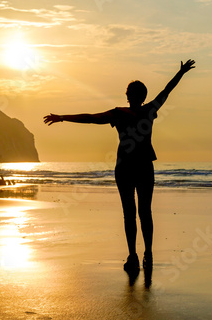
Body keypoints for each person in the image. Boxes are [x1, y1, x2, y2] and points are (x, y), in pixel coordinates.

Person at [43, 59, 195, 272]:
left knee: (130, 212)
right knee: (144, 212)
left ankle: (134, 255)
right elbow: (166, 91)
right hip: (142, 167)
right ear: (142, 96)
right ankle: (146, 254)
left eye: (128, 93)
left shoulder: (120, 113)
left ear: (129, 96)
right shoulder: (148, 110)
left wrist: (62, 118)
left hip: (125, 168)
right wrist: (181, 73)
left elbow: (91, 118)